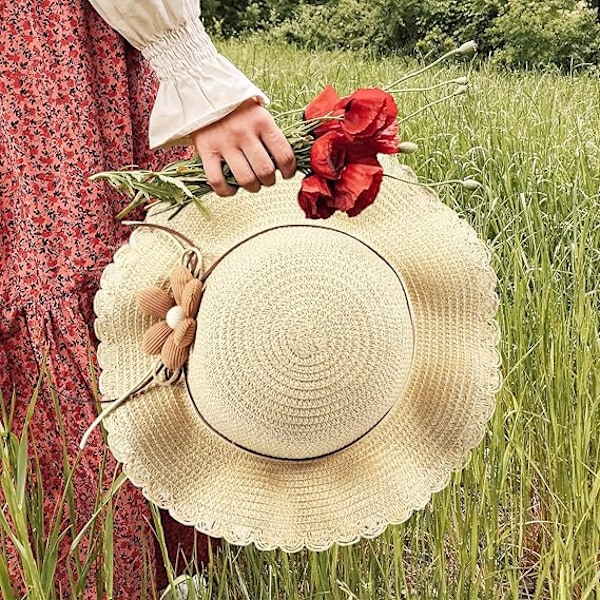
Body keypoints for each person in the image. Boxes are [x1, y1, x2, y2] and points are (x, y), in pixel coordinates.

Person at [0, 0, 295, 596]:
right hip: (46, 65)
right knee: (96, 298)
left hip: (42, 67)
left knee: (119, 313)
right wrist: (196, 73)